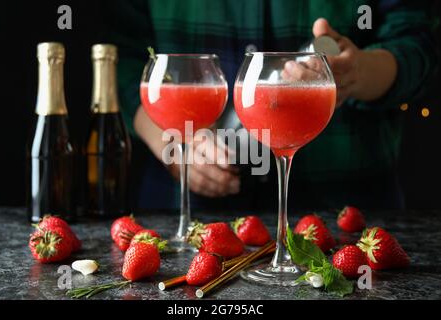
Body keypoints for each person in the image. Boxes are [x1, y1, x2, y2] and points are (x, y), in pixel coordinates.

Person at [104, 0, 438, 210]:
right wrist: (173, 145)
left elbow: (421, 41)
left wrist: (358, 72)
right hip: (180, 210)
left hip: (348, 214)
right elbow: (122, 62)